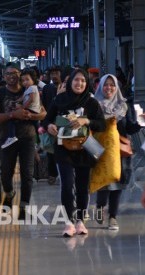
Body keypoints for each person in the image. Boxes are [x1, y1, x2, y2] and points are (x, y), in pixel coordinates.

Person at [42, 68, 106, 237]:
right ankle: (69, 222)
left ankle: (80, 221)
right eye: (76, 80)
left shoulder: (91, 103)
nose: (80, 84)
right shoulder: (59, 100)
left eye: (83, 81)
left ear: (87, 83)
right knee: (67, 184)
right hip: (63, 148)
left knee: (82, 186)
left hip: (86, 147)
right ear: (70, 82)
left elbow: (101, 124)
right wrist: (49, 126)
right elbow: (47, 119)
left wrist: (87, 120)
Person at [0, 63, 47, 219]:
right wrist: (12, 115)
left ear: (19, 74)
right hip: (7, 139)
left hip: (27, 138)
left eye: (14, 73)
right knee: (6, 173)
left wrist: (30, 116)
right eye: (7, 74)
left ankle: (23, 205)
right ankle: (9, 193)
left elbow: (43, 113)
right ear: (4, 76)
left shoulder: (29, 89)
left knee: (27, 174)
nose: (10, 76)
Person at [93, 74, 141, 230]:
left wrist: (140, 122)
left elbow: (130, 128)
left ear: (117, 88)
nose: (109, 88)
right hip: (101, 151)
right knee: (103, 185)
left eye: (112, 85)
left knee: (117, 185)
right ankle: (99, 209)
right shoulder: (94, 106)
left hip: (119, 150)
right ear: (100, 87)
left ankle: (113, 217)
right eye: (105, 85)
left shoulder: (124, 106)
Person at [1, 68, 41, 149]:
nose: (25, 82)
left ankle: (12, 137)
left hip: (32, 109)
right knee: (36, 126)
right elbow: (22, 97)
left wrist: (22, 107)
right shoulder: (28, 89)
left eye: (27, 79)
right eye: (23, 80)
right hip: (32, 109)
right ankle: (38, 141)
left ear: (33, 79)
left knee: (12, 119)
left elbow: (31, 99)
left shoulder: (33, 88)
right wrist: (17, 101)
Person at [41, 66, 62, 185]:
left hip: (64, 123)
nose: (54, 76)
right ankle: (52, 174)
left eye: (57, 73)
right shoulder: (47, 88)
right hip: (50, 123)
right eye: (52, 73)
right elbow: (43, 105)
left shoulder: (66, 88)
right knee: (50, 150)